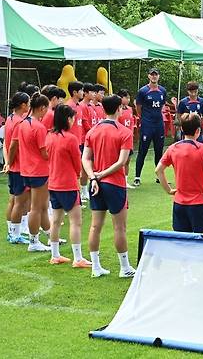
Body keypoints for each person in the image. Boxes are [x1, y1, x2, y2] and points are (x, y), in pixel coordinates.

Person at [82, 94, 136, 278]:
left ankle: (96, 267)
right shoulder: (124, 132)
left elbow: (86, 158)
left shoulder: (92, 131)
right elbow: (122, 162)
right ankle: (125, 267)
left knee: (95, 226)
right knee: (119, 227)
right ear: (119, 108)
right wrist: (102, 175)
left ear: (103, 109)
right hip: (114, 184)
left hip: (95, 184)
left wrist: (93, 177)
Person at [156, 114, 203, 236]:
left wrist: (169, 190)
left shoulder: (173, 148)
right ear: (198, 131)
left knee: (183, 244)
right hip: (200, 203)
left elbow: (158, 170)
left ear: (181, 129)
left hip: (179, 204)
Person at [45, 104, 91, 267]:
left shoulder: (49, 136)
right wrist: (80, 174)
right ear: (67, 119)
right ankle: (78, 258)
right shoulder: (70, 139)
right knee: (75, 222)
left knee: (56, 221)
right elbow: (77, 164)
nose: (73, 121)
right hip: (68, 185)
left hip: (53, 184)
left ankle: (55, 254)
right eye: (72, 118)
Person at [14, 93, 52, 252]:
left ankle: (50, 235)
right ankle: (33, 241)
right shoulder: (39, 127)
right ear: (42, 108)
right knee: (36, 207)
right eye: (46, 109)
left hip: (26, 170)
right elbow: (44, 153)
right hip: (38, 171)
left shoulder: (22, 124)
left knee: (41, 206)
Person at [3, 92, 31, 244]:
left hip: (15, 167)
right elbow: (13, 145)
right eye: (28, 103)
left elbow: (7, 145)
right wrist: (11, 162)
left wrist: (8, 162)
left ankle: (11, 232)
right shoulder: (20, 122)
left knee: (13, 200)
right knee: (19, 202)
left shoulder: (10, 119)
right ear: (23, 105)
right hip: (19, 167)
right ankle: (15, 234)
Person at [133, 67, 166, 187]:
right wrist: (144, 118)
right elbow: (138, 107)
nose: (154, 76)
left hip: (159, 124)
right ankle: (137, 176)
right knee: (143, 150)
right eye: (152, 75)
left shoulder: (162, 90)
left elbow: (162, 104)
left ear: (158, 76)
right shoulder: (143, 91)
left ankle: (159, 176)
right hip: (147, 124)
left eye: (156, 74)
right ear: (148, 76)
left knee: (159, 151)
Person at [117, 89, 136, 188]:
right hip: (120, 138)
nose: (128, 100)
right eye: (126, 97)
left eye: (129, 98)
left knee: (127, 160)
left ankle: (125, 180)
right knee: (119, 159)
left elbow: (132, 122)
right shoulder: (117, 110)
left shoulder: (130, 109)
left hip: (129, 138)